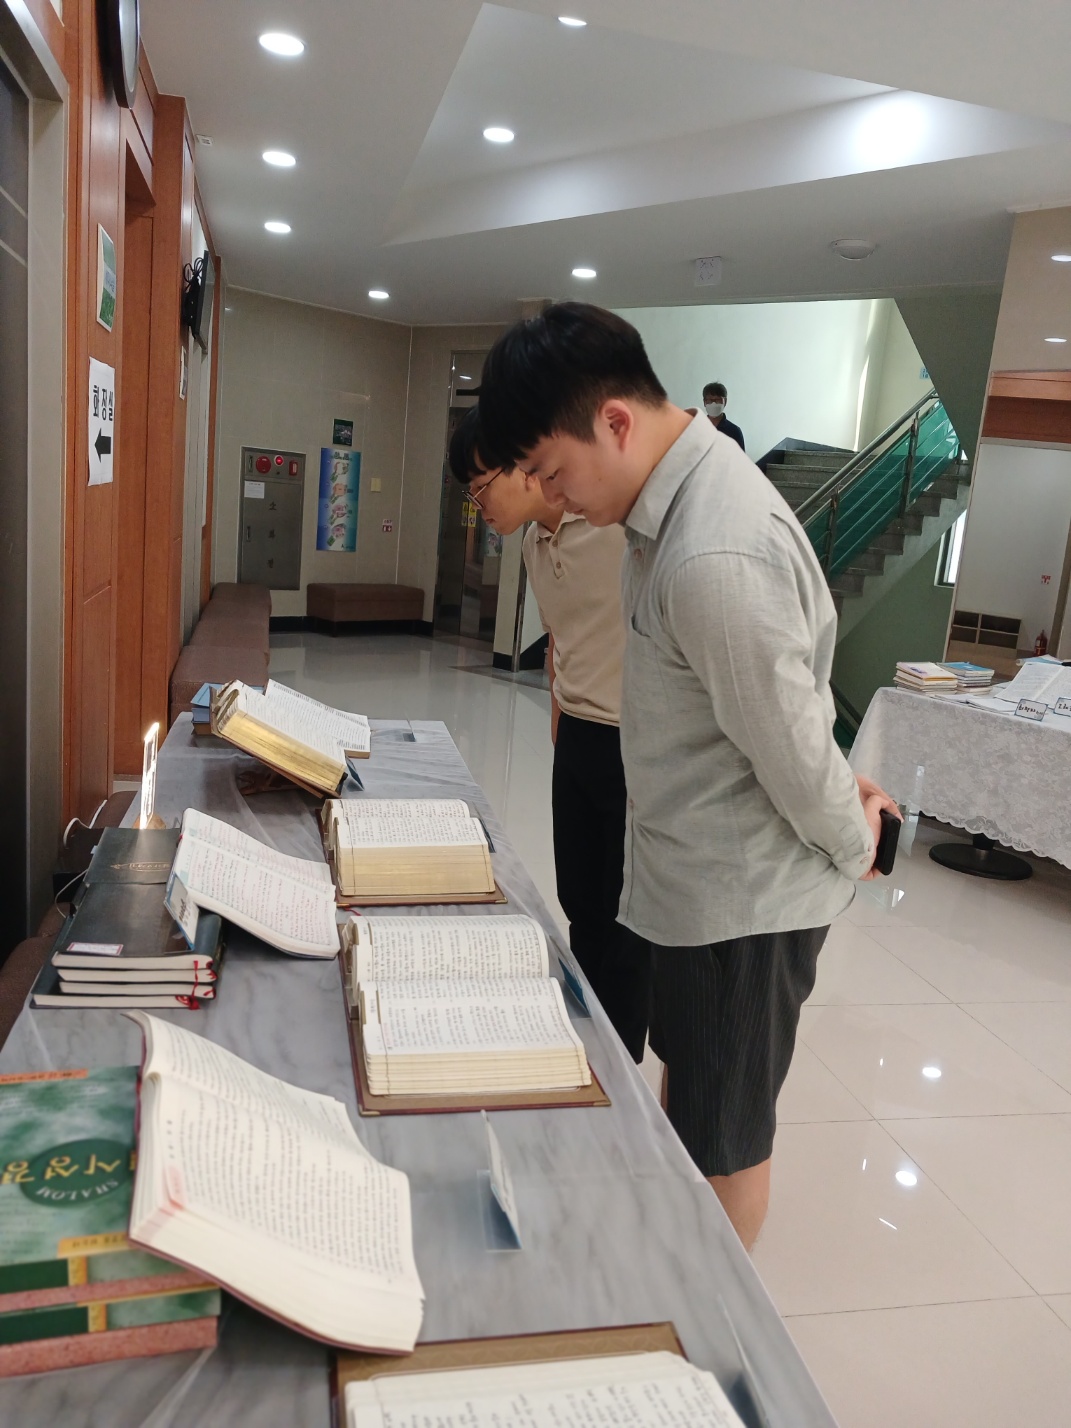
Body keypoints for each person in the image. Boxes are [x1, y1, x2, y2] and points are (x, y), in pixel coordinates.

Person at [475, 303, 900, 1250]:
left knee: (724, 1148)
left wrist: (856, 841)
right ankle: (677, 1267)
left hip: (740, 904)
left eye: (553, 471)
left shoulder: (712, 548)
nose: (553, 495)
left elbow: (790, 747)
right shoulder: (661, 515)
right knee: (695, 1114)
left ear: (615, 423)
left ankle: (711, 1323)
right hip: (696, 889)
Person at [446, 410, 651, 1062]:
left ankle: (620, 1059)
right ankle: (587, 1038)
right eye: (470, 496)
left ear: (523, 467)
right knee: (581, 901)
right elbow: (561, 640)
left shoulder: (614, 526)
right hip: (580, 738)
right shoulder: (535, 545)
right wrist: (562, 717)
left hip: (637, 744)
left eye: (482, 488)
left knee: (626, 918)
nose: (480, 508)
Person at [702, 381, 745, 451]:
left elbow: (740, 457)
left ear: (725, 401)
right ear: (704, 402)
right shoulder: (698, 428)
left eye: (718, 400)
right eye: (710, 400)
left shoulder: (734, 431)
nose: (713, 403)